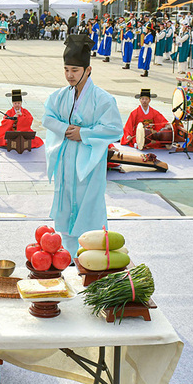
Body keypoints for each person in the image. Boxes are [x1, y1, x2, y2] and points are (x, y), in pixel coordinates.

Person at [43, 35, 123, 255]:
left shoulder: (103, 99)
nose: (69, 75)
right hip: (65, 158)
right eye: (66, 69)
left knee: (89, 203)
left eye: (75, 70)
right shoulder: (59, 96)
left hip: (88, 162)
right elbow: (47, 118)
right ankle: (66, 253)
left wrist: (84, 133)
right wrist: (64, 129)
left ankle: (92, 250)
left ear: (88, 70)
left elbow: (115, 128)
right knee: (65, 201)